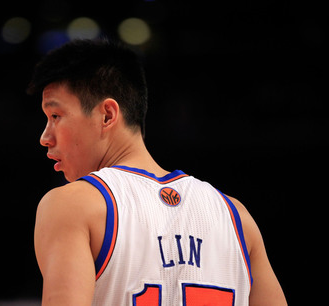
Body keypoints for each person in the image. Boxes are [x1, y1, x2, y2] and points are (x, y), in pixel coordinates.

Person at [28, 39, 286, 305]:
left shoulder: (71, 205)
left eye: (55, 115)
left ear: (107, 115)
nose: (45, 137)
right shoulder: (237, 218)